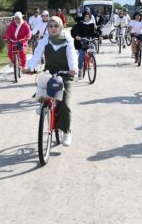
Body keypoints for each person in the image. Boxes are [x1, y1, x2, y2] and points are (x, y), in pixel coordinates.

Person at [26, 17, 78, 146]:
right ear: (48, 28)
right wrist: (30, 67)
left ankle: (66, 131)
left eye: (56, 26)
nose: (53, 28)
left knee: (64, 103)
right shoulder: (45, 40)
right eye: (51, 26)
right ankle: (43, 103)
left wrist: (73, 68)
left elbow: (72, 56)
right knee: (42, 82)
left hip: (65, 74)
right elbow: (37, 55)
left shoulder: (67, 41)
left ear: (60, 27)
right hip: (50, 71)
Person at [70, 11, 98, 78]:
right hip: (80, 41)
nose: (87, 18)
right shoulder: (80, 24)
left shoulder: (91, 24)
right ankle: (80, 69)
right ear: (83, 17)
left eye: (88, 17)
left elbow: (93, 33)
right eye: (86, 17)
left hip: (88, 40)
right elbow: (73, 31)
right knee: (82, 54)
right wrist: (76, 36)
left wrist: (98, 36)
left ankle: (91, 58)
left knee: (93, 46)